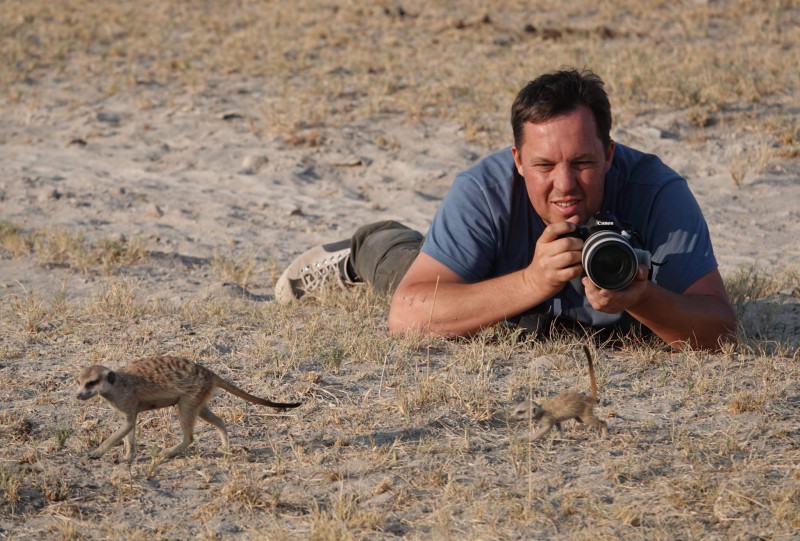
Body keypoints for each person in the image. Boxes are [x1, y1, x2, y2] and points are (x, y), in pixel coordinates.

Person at [275, 68, 737, 351]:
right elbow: (407, 315)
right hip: (490, 283)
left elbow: (723, 331)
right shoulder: (484, 189)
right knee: (402, 263)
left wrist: (643, 297)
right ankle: (361, 250)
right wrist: (535, 280)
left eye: (583, 163)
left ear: (611, 155)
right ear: (517, 161)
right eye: (543, 165)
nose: (565, 185)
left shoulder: (657, 191)